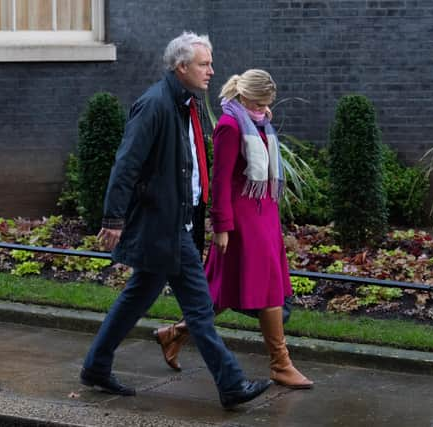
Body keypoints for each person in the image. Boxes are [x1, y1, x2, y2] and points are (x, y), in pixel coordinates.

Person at [79, 32, 272, 409]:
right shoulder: (154, 105)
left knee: (136, 297)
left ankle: (96, 367)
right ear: (181, 66)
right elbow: (126, 164)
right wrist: (114, 218)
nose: (212, 71)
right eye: (204, 64)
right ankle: (231, 384)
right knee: (200, 310)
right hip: (164, 224)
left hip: (176, 223)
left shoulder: (187, 103)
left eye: (210, 63)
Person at [153, 69, 313, 389]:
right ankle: (281, 364)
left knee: (224, 289)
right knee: (267, 289)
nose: (266, 108)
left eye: (268, 103)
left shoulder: (256, 119)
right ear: (246, 97)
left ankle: (175, 333)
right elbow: (220, 179)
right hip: (243, 221)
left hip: (264, 214)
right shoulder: (228, 125)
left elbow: (260, 150)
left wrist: (261, 116)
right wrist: (222, 226)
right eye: (260, 101)